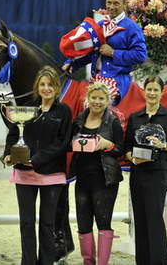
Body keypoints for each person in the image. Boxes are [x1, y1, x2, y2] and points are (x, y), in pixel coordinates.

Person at [2, 66, 72, 265]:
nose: (46, 88)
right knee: (26, 222)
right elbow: (14, 135)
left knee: (48, 223)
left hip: (52, 175)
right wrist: (8, 154)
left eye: (50, 85)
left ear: (56, 88)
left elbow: (63, 142)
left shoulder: (64, 111)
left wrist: (37, 159)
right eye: (42, 85)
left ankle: (47, 262)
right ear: (37, 87)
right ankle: (29, 261)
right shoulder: (27, 108)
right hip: (24, 174)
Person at [124, 75, 167, 265]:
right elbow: (127, 147)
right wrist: (132, 158)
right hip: (138, 174)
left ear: (162, 92)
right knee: (141, 221)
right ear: (144, 91)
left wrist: (163, 145)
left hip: (158, 174)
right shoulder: (135, 117)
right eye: (149, 89)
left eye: (155, 90)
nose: (152, 93)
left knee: (154, 219)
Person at [62, 0, 147, 104]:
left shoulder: (132, 27)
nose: (111, 7)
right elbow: (91, 53)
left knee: (95, 105)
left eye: (116, 3)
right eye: (109, 2)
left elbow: (141, 55)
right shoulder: (101, 25)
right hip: (96, 78)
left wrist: (113, 53)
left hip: (116, 80)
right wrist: (73, 64)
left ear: (124, 5)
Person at [71, 82, 124, 265]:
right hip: (82, 179)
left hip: (105, 179)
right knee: (83, 224)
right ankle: (88, 261)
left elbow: (122, 149)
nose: (97, 102)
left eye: (101, 98)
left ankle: (102, 263)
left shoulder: (113, 122)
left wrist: (108, 145)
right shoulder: (79, 120)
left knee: (103, 222)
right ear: (88, 99)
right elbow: (70, 142)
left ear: (108, 101)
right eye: (94, 97)